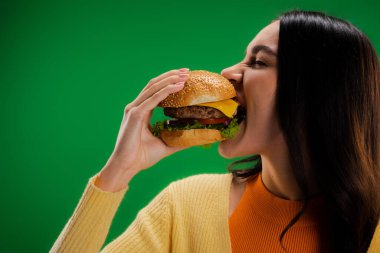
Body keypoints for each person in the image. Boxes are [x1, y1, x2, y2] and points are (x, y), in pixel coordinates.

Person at [50, 10, 380, 253]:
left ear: (319, 95)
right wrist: (117, 171)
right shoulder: (184, 206)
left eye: (259, 62)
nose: (227, 72)